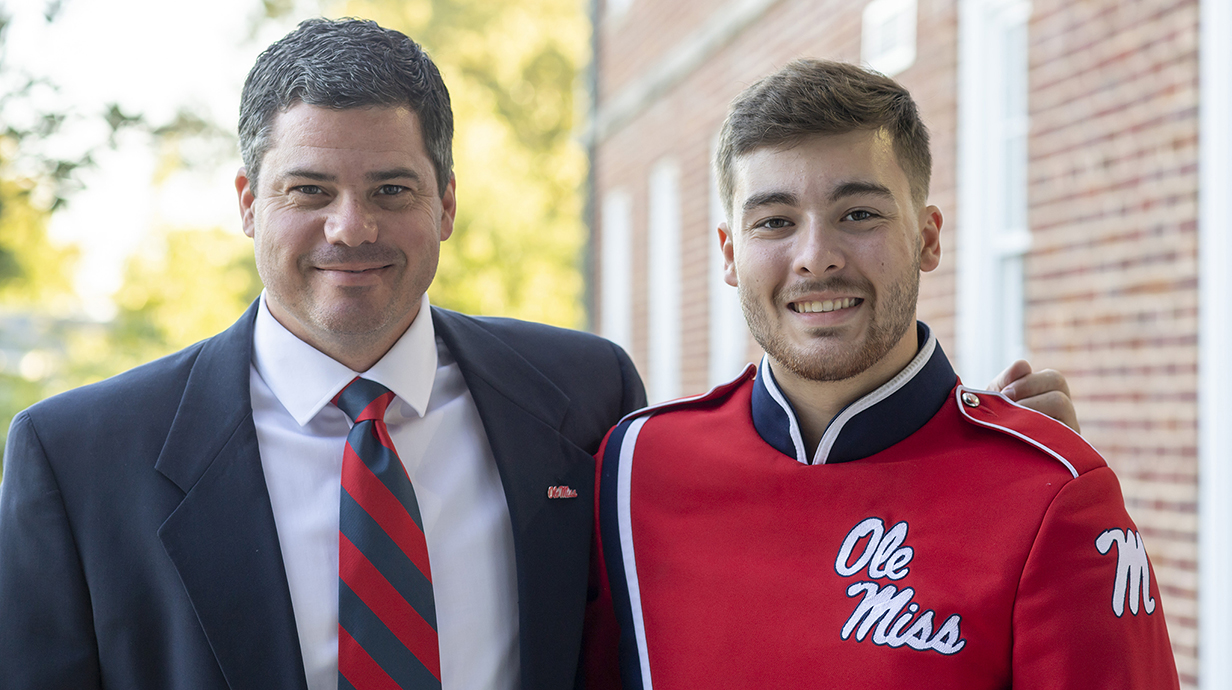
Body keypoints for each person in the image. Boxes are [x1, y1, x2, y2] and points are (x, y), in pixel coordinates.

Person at [0, 18, 1076, 690]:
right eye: (306, 191)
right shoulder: (77, 459)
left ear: (448, 203)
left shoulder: (581, 398)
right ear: (245, 202)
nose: (350, 230)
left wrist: (971, 457)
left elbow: (755, 528)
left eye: (390, 190)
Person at [587, 59, 1178, 689]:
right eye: (774, 222)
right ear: (731, 253)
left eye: (859, 214)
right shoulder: (635, 466)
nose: (816, 258)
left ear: (927, 238)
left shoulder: (1052, 492)